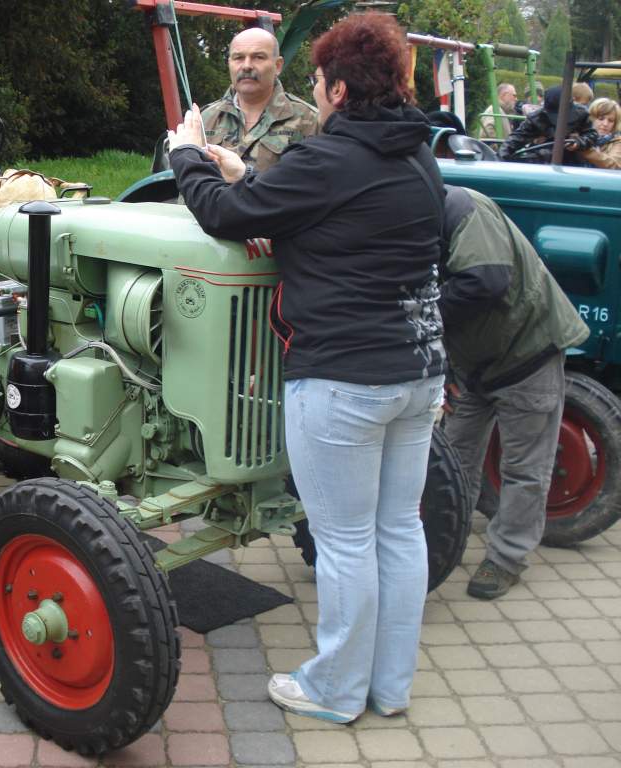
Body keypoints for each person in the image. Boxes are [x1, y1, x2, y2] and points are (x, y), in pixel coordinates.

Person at [169, 12, 445, 723]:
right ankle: (389, 685)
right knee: (398, 529)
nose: (316, 91)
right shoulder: (418, 156)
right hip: (419, 372)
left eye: (320, 79)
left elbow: (227, 217)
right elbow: (336, 217)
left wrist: (188, 155)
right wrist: (247, 177)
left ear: (341, 90)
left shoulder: (329, 159)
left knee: (345, 539)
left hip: (344, 377)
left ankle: (334, 690)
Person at [439, 186, 589, 599]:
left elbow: (485, 280)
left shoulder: (464, 209)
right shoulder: (413, 216)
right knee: (452, 461)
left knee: (525, 469)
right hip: (473, 365)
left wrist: (423, 312)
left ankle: (507, 558)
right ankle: (445, 539)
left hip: (528, 353)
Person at [199, 26, 318, 174]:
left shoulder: (310, 121)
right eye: (239, 58)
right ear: (229, 63)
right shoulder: (205, 119)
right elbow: (189, 185)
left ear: (278, 65)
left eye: (258, 57)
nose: (247, 66)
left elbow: (318, 187)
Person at [498, 85, 598, 165]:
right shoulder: (537, 119)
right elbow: (516, 138)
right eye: (555, 116)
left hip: (573, 164)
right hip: (542, 163)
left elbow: (592, 135)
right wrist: (500, 159)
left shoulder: (581, 115)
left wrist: (578, 143)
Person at [579, 97, 621, 169]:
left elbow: (615, 165)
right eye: (601, 119)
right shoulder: (578, 135)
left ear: (615, 124)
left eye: (610, 121)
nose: (605, 124)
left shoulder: (617, 141)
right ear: (591, 118)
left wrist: (585, 149)